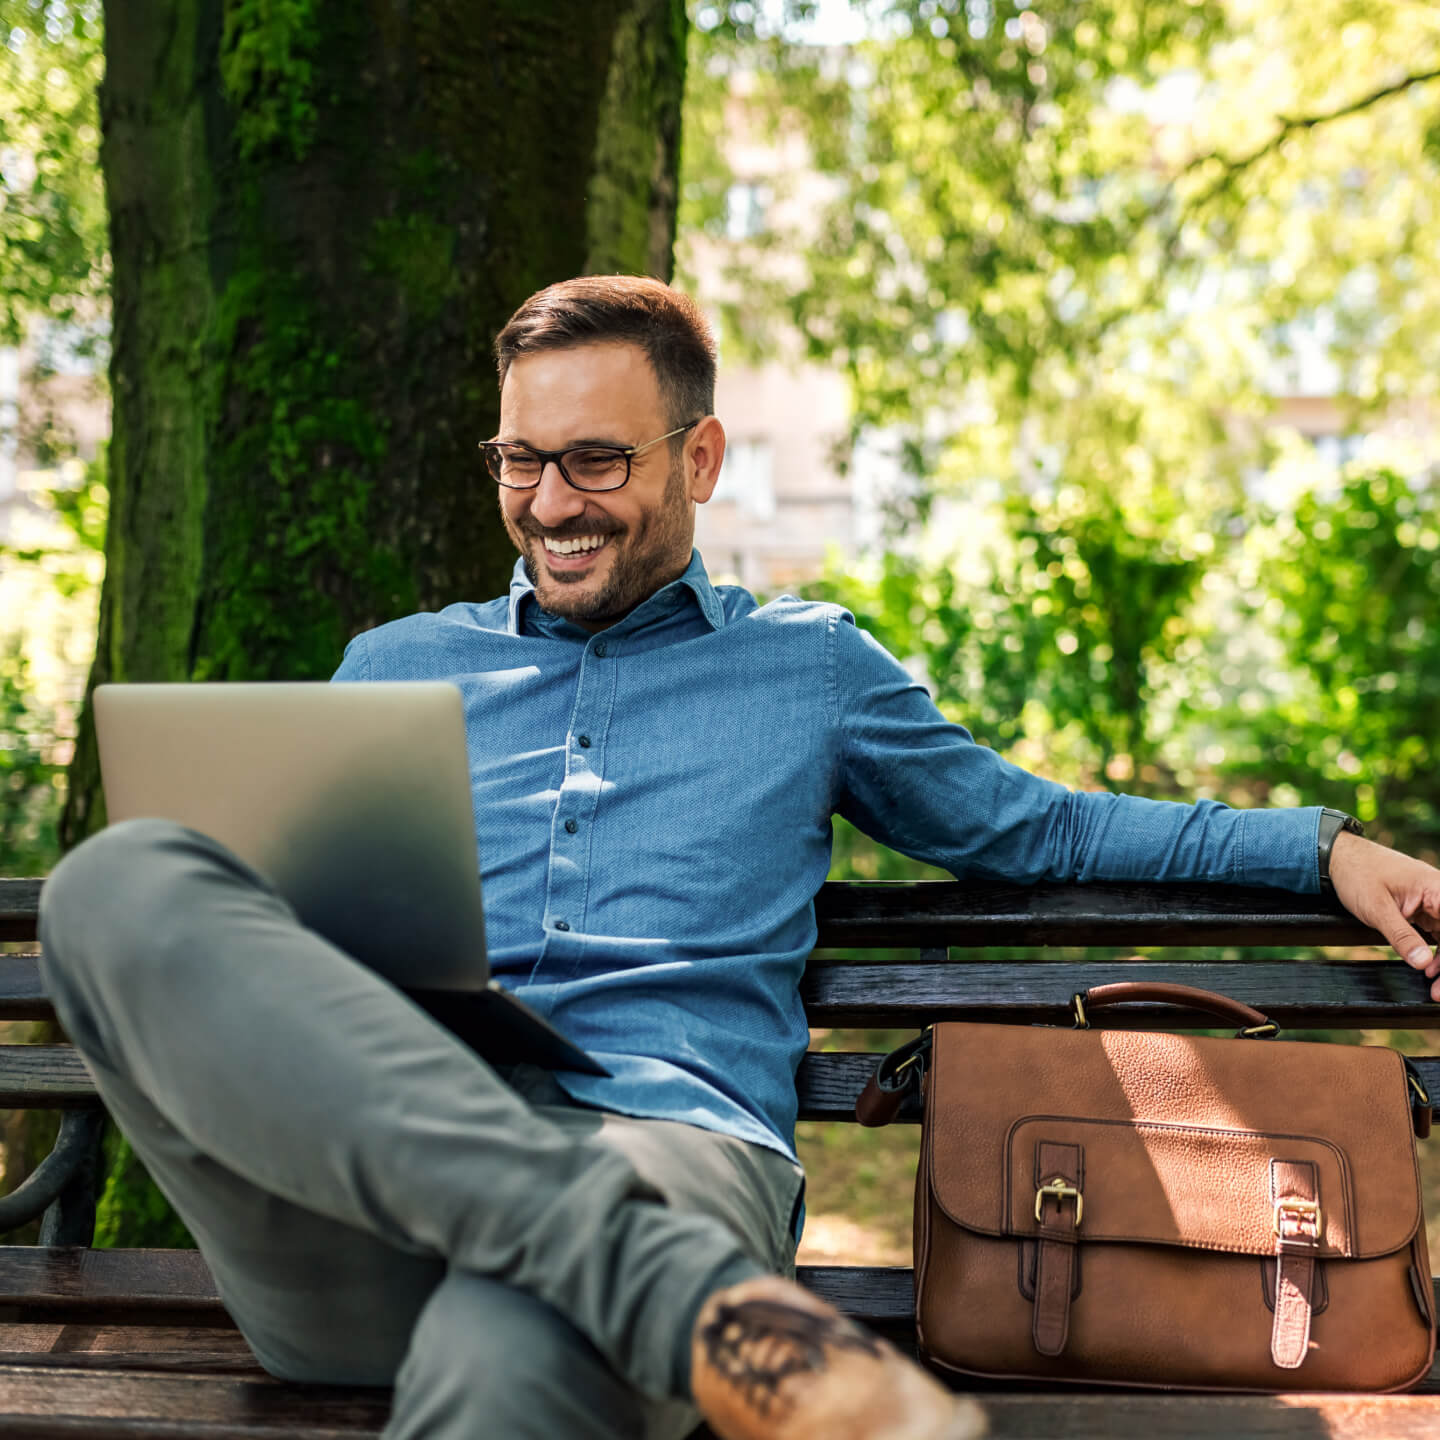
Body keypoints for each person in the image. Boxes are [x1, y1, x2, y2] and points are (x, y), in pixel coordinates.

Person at [37, 276, 1440, 1440]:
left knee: (509, 1347)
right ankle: (656, 1288)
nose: (550, 501)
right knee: (121, 881)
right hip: (358, 1214)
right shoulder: (388, 667)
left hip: (672, 1150)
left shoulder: (809, 670)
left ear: (699, 460)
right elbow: (255, 969)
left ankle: (629, 1272)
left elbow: (1045, 828)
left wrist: (1323, 849)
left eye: (597, 459)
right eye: (521, 460)